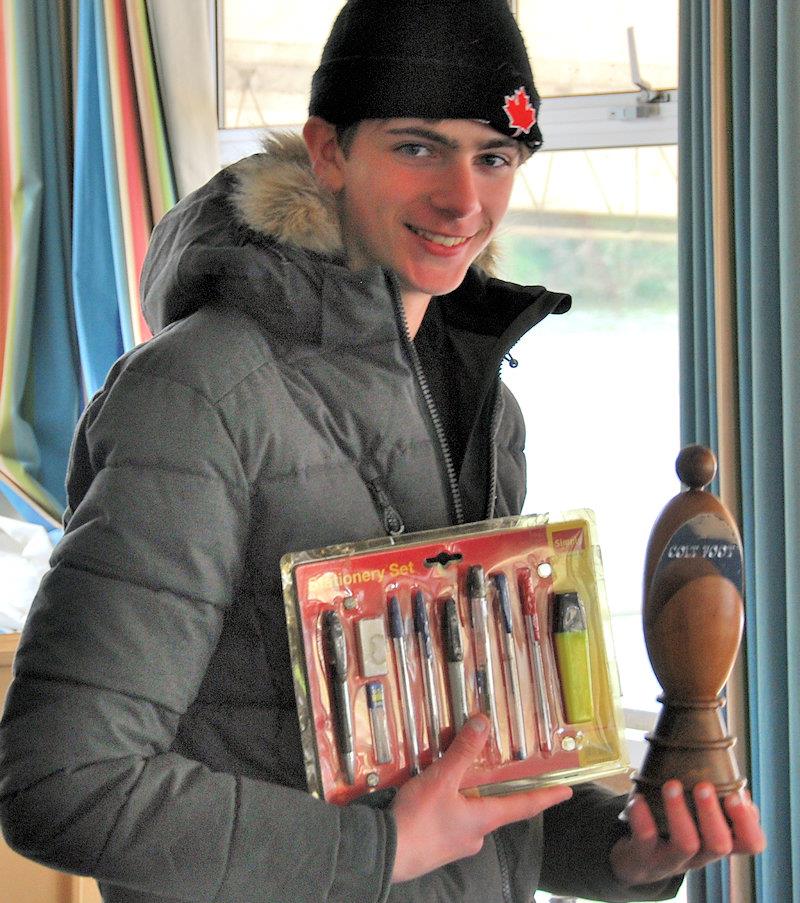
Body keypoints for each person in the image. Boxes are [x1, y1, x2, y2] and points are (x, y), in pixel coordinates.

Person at [0, 1, 764, 901]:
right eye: (416, 146)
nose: (463, 199)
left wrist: (622, 851)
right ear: (327, 151)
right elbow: (64, 785)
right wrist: (379, 850)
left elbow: (457, 785)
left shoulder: (486, 408)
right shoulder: (201, 391)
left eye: (495, 156)